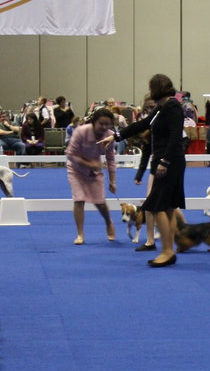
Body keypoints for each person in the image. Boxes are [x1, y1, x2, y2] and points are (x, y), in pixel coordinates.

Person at [119, 75, 185, 267]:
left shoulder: (172, 107)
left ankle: (166, 251)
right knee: (169, 208)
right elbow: (143, 124)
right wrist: (117, 135)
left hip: (168, 161)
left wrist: (164, 161)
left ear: (156, 88)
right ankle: (169, 250)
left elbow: (175, 136)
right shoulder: (162, 106)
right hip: (168, 160)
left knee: (158, 207)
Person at [65, 108, 118, 244]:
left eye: (108, 124)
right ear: (94, 122)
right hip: (76, 171)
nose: (105, 127)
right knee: (79, 200)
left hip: (94, 173)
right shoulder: (81, 131)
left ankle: (108, 222)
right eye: (102, 124)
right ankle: (80, 234)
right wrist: (89, 164)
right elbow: (70, 154)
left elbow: (111, 159)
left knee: (100, 202)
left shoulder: (110, 135)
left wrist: (112, 181)